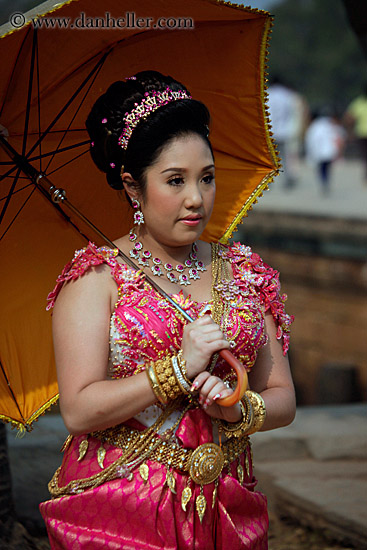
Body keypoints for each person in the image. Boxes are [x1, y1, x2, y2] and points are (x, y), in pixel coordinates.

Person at [39, 71, 296, 550]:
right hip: (122, 508)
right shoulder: (95, 280)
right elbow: (77, 410)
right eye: (174, 180)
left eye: (207, 178)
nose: (196, 199)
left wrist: (240, 408)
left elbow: (283, 395)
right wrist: (177, 369)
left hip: (229, 503)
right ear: (133, 187)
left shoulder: (244, 272)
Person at [305, 109, 345, 194]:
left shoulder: (314, 127)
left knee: (321, 169)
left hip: (319, 153)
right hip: (329, 151)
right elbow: (339, 136)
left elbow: (311, 142)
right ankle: (326, 182)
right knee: (327, 169)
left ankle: (324, 182)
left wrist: (311, 156)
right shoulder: (329, 124)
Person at [344, 86, 367, 183]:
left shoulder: (358, 103)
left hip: (361, 134)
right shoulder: (359, 102)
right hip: (362, 134)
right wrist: (350, 131)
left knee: (365, 157)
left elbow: (349, 117)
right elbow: (349, 117)